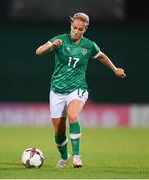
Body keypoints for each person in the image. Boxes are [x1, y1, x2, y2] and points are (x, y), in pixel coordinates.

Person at [36, 12, 126, 169]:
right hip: (57, 90)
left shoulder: (89, 45)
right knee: (59, 132)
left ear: (85, 30)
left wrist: (115, 69)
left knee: (73, 115)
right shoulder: (61, 40)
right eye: (74, 28)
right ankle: (65, 157)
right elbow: (38, 51)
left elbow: (102, 56)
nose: (76, 31)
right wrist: (50, 45)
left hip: (77, 88)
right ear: (71, 26)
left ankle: (77, 156)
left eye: (80, 29)